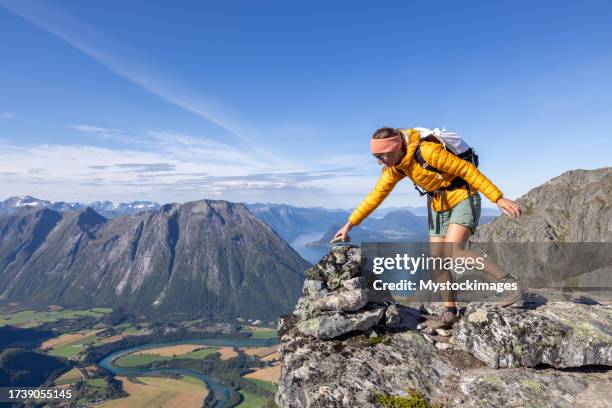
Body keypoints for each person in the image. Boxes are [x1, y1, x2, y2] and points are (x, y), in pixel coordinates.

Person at [333, 127, 522, 329]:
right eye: (376, 157)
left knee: (454, 252)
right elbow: (375, 196)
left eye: (382, 156)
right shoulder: (397, 166)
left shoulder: (428, 152)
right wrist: (350, 224)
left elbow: (467, 170)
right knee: (437, 261)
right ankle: (450, 313)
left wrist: (498, 197)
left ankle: (511, 284)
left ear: (395, 147)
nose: (379, 162)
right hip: (438, 205)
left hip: (462, 197)